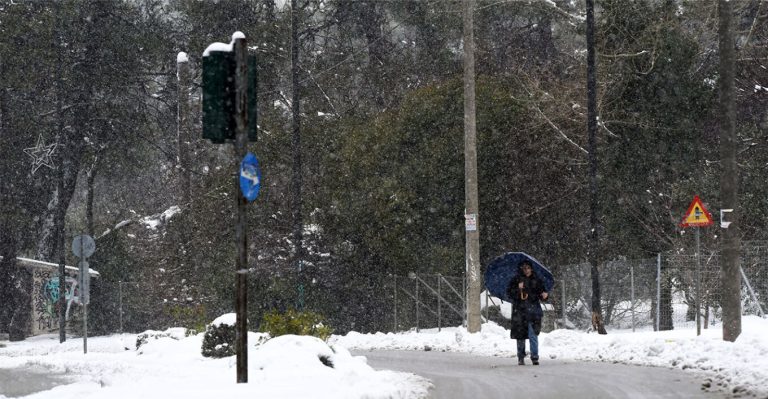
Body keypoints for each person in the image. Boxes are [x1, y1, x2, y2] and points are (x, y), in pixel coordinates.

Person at [507, 260, 548, 365]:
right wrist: (518, 289)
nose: (526, 270)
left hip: (533, 312)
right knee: (520, 336)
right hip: (520, 312)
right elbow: (510, 294)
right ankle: (520, 357)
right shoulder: (516, 280)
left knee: (533, 334)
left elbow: (542, 294)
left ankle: (535, 357)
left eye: (528, 268)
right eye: (524, 268)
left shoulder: (537, 280)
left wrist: (545, 296)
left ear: (531, 268)